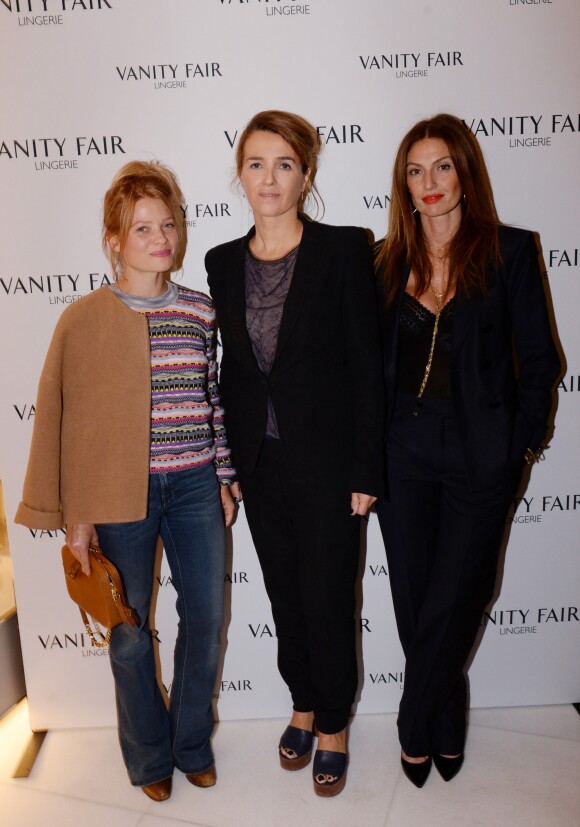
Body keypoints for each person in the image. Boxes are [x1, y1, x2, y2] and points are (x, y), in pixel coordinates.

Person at [15, 161, 241, 802]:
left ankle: (192, 743)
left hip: (196, 484)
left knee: (206, 618)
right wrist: (76, 515)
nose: (160, 237)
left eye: (168, 224)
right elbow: (68, 424)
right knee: (128, 630)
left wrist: (224, 477)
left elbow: (210, 398)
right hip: (119, 496)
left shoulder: (200, 311)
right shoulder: (83, 319)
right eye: (142, 227)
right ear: (114, 238)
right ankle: (148, 760)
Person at [374, 114, 560, 787]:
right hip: (402, 454)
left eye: (442, 166)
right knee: (416, 598)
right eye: (415, 170)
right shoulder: (385, 262)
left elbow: (539, 363)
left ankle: (411, 718)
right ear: (404, 183)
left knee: (458, 594)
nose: (429, 182)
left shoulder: (510, 250)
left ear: (465, 174)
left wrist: (520, 447)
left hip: (483, 455)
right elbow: (367, 373)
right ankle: (444, 725)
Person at [206, 110, 385, 797]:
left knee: (328, 592)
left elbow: (367, 367)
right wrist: (229, 464)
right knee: (285, 592)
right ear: (240, 175)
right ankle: (303, 700)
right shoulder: (222, 262)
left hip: (332, 463)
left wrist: (368, 466)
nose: (270, 177)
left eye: (284, 163)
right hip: (260, 461)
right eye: (256, 163)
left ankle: (334, 721)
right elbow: (230, 372)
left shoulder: (344, 249)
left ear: (305, 174)